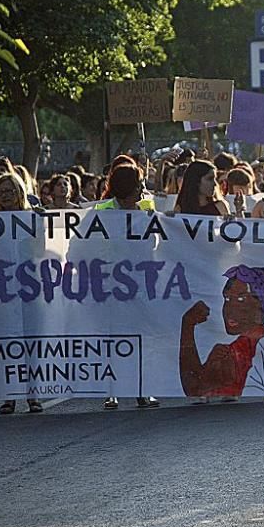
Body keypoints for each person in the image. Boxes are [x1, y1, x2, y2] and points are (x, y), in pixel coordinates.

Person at [94, 165, 159, 409]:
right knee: (113, 338)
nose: (143, 188)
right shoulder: (103, 209)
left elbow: (155, 241)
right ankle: (112, 391)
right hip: (111, 284)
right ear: (126, 185)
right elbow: (86, 244)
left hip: (141, 282)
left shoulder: (147, 207)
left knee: (142, 337)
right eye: (139, 183)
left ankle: (144, 390)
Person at [0, 175, 44, 414]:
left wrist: (40, 222)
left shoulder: (32, 219)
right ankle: (9, 395)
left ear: (20, 193)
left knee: (31, 344)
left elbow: (40, 250)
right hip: (3, 291)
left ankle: (33, 395)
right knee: (7, 343)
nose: (6, 195)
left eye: (10, 191)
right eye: (1, 192)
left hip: (29, 290)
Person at [179, 265, 264, 400]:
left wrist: (187, 326)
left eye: (241, 299)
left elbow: (194, 390)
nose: (230, 308)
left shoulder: (240, 350)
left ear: (262, 305)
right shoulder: (246, 345)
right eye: (227, 299)